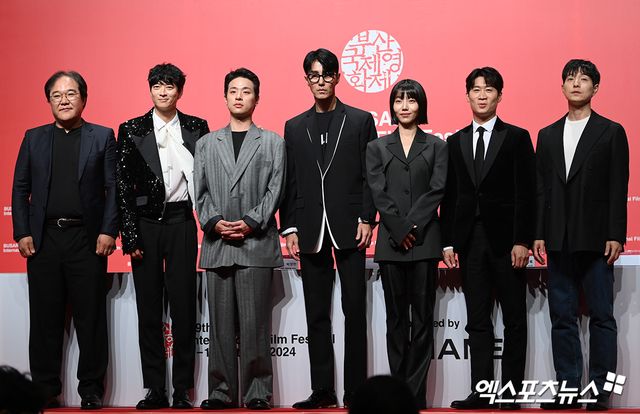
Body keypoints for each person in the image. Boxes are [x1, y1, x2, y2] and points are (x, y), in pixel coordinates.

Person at [11, 70, 117, 410]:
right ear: (49, 101)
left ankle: (91, 390)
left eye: (71, 93)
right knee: (44, 320)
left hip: (87, 240)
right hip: (44, 241)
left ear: (84, 98)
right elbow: (20, 188)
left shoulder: (102, 136)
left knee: (91, 319)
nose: (64, 100)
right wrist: (22, 232)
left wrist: (107, 230)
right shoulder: (33, 138)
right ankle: (44, 389)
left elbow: (113, 188)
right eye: (57, 95)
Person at [279, 48, 377, 409]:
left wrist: (367, 217)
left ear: (337, 78)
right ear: (307, 80)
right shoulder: (294, 126)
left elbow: (370, 175)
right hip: (309, 227)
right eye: (314, 76)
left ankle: (355, 391)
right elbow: (290, 180)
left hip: (350, 226)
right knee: (316, 314)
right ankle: (322, 390)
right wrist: (289, 226)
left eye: (326, 75)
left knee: (355, 311)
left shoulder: (360, 120)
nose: (320, 82)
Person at [534, 59, 629, 412]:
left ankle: (601, 392)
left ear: (595, 88)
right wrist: (538, 234)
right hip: (558, 239)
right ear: (562, 87)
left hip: (597, 239)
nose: (576, 84)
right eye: (570, 79)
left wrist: (616, 233)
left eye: (584, 79)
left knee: (602, 317)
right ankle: (568, 389)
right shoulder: (546, 134)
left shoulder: (611, 131)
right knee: (562, 317)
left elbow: (618, 186)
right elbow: (541, 189)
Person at [440, 67, 535, 410]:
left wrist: (523, 240)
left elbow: (527, 193)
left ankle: (510, 394)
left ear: (499, 95)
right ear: (467, 95)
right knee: (477, 321)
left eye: (489, 90)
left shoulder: (517, 137)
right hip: (469, 242)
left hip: (508, 242)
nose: (482, 95)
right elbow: (450, 196)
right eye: (476, 90)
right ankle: (481, 392)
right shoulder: (455, 141)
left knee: (514, 320)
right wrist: (448, 242)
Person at [116, 63, 209, 409]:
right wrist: (130, 237)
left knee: (184, 309)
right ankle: (154, 388)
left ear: (179, 91)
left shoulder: (197, 127)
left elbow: (206, 179)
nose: (163, 92)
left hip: (182, 222)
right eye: (157, 86)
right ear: (150, 89)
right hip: (146, 225)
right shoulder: (132, 129)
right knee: (149, 309)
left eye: (169, 86)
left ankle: (182, 389)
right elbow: (123, 187)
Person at [195, 68, 285, 411]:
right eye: (233, 90)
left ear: (256, 99)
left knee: (254, 325)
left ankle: (257, 392)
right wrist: (215, 223)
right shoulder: (206, 143)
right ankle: (220, 392)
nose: (238, 96)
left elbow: (276, 188)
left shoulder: (273, 142)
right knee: (219, 327)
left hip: (255, 244)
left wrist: (250, 222)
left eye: (246, 91)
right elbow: (199, 192)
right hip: (217, 244)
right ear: (224, 97)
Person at [366, 79, 447, 409]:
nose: (404, 106)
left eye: (411, 100)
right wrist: (399, 229)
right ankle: (398, 393)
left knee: (423, 320)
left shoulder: (437, 146)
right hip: (391, 243)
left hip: (425, 242)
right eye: (399, 100)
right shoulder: (377, 147)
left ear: (420, 105)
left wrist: (411, 226)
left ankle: (415, 395)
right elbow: (377, 191)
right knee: (396, 321)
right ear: (392, 106)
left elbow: (437, 189)